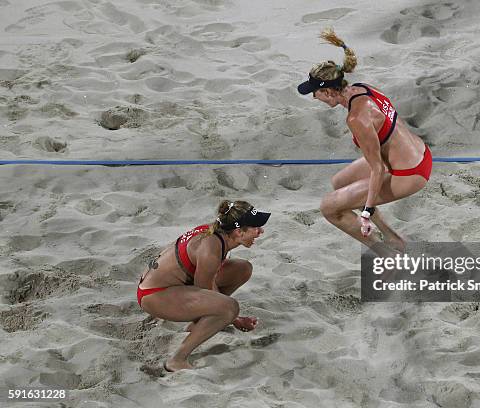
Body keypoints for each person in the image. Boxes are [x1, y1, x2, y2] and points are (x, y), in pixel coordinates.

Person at [297, 28, 432, 252]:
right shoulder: (364, 89)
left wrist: (367, 213)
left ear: (330, 92)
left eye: (316, 92)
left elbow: (377, 169)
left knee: (329, 207)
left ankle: (386, 254)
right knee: (340, 183)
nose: (314, 97)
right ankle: (394, 238)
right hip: (418, 151)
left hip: (411, 172)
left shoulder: (356, 118)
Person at [137, 200, 271, 372]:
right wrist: (235, 319)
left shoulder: (218, 233)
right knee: (229, 308)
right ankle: (177, 359)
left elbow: (207, 285)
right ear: (239, 231)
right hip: (154, 294)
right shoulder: (210, 249)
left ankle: (198, 325)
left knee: (242, 269)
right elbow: (205, 290)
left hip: (173, 284)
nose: (261, 231)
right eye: (256, 228)